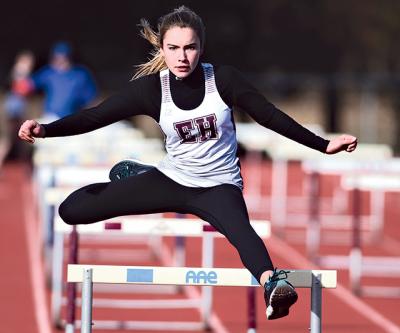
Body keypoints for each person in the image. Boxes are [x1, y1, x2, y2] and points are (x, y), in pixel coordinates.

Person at [18, 6, 357, 320]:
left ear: (201, 48)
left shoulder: (223, 80)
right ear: (162, 49)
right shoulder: (152, 90)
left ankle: (272, 283)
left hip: (218, 186)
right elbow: (96, 117)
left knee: (242, 232)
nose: (183, 56)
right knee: (71, 210)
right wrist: (46, 129)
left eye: (190, 48)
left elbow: (270, 116)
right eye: (175, 48)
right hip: (172, 179)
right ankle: (141, 176)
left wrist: (323, 144)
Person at [28, 41, 98, 120]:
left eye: (63, 58)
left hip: (72, 118)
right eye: (56, 58)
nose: (59, 61)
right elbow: (26, 86)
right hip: (50, 117)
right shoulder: (49, 73)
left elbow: (90, 98)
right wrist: (22, 70)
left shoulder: (80, 74)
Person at [3, 50, 35, 161]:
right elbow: (21, 90)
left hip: (17, 108)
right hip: (14, 108)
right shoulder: (20, 70)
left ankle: (25, 163)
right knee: (11, 138)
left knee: (18, 138)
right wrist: (30, 86)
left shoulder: (22, 72)